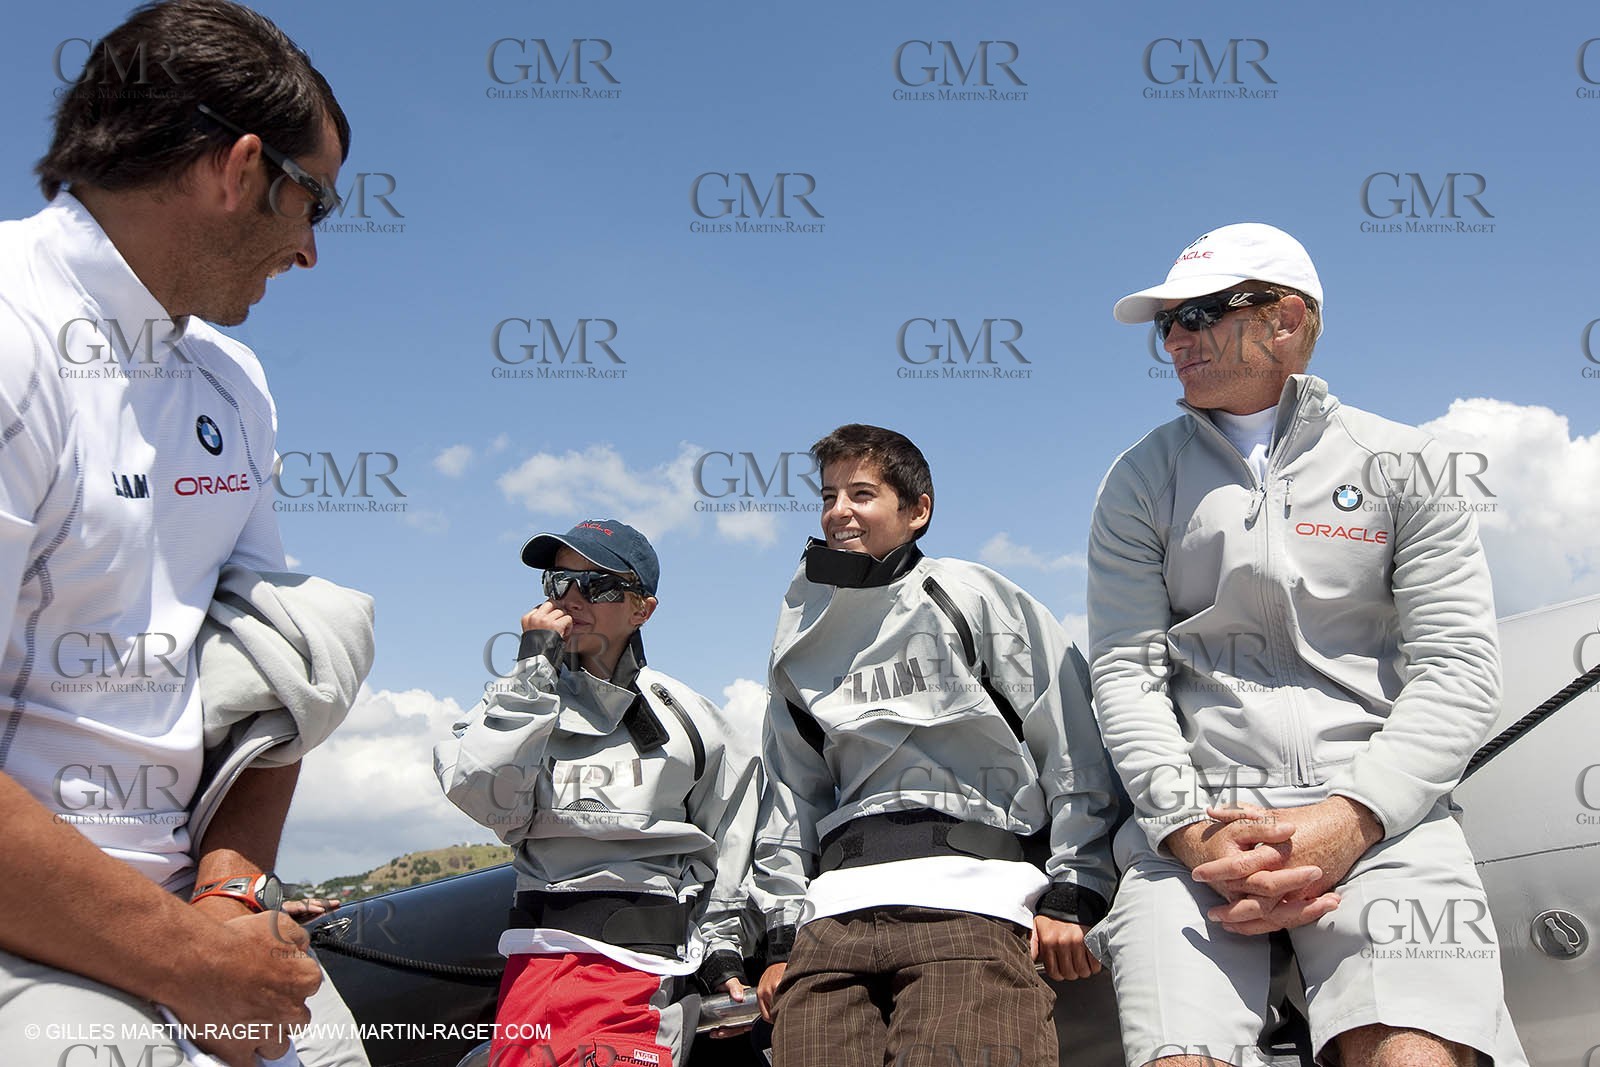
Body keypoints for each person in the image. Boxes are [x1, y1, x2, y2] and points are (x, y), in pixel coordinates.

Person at [0, 2, 363, 1065]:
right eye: (317, 201)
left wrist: (228, 896)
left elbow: (273, 679)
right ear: (237, 168)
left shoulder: (232, 381)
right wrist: (187, 960)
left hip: (198, 926)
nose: (308, 252)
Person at [1086, 223, 1528, 1067]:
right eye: (1166, 323)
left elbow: (1460, 669)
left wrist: (1349, 820)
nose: (1176, 338)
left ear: (1285, 319)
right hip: (1197, 828)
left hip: (1383, 823)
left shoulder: (1407, 462)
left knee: (1413, 1054)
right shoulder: (1137, 480)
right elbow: (1127, 673)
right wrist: (1188, 829)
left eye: (1202, 314)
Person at [752, 424, 1120, 1067]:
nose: (839, 510)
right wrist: (782, 937)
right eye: (828, 494)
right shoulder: (798, 634)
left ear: (917, 511)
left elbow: (1072, 745)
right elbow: (789, 795)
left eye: (861, 493)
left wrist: (1076, 888)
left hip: (971, 907)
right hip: (832, 923)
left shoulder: (973, 597)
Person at [436, 519, 761, 1067]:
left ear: (642, 609)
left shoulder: (690, 718)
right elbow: (485, 796)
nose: (572, 598)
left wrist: (722, 951)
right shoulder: (517, 701)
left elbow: (733, 842)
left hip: (644, 972)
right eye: (557, 582)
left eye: (597, 584)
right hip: (534, 967)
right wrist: (532, 670)